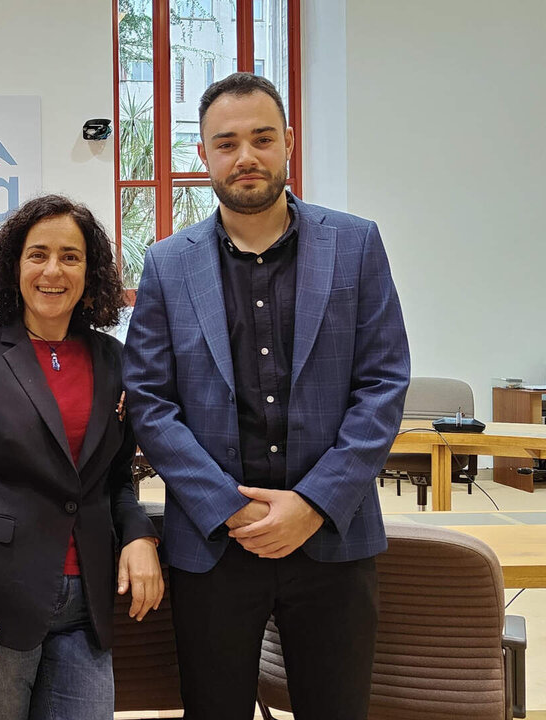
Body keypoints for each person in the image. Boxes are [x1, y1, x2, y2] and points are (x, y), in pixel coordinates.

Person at [122, 72, 410, 720]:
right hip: (216, 546)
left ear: (288, 143)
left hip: (333, 541)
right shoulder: (168, 264)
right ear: (203, 156)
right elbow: (149, 399)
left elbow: (384, 383)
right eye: (226, 143)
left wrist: (313, 503)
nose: (244, 156)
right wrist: (227, 507)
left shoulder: (355, 244)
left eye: (261, 138)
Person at [0, 194, 163, 720]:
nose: (53, 270)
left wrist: (138, 532)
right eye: (37, 254)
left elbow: (113, 481)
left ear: (91, 273)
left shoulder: (112, 359)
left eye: (71, 256)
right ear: (14, 266)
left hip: (85, 605)